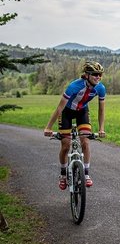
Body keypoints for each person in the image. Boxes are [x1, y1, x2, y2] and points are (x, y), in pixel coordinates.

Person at [44, 61, 106, 190]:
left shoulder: (100, 88)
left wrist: (101, 129)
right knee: (66, 145)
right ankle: (63, 175)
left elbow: (101, 110)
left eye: (100, 74)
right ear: (87, 75)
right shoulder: (74, 86)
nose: (98, 77)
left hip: (82, 112)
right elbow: (59, 108)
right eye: (95, 74)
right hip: (66, 112)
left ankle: (86, 174)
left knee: (86, 141)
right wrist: (48, 127)